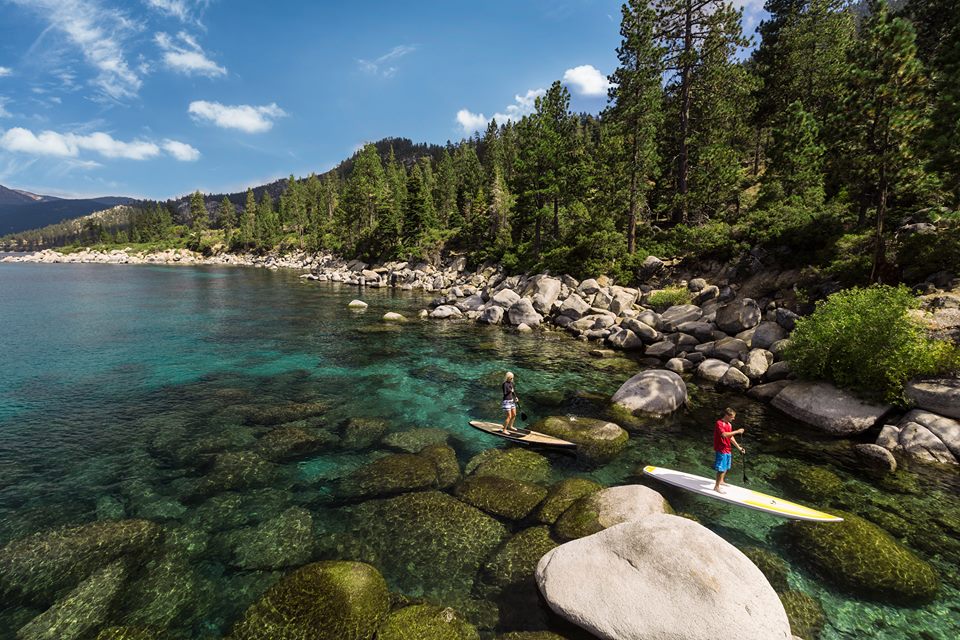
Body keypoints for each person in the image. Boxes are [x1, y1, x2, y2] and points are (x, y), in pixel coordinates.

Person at [712, 407, 744, 493]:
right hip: (721, 449)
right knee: (721, 468)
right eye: (732, 417)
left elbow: (730, 437)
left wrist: (739, 448)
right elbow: (724, 435)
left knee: (726, 466)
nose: (733, 419)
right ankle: (716, 487)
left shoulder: (729, 425)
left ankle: (721, 481)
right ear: (727, 415)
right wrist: (737, 431)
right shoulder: (719, 423)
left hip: (728, 448)